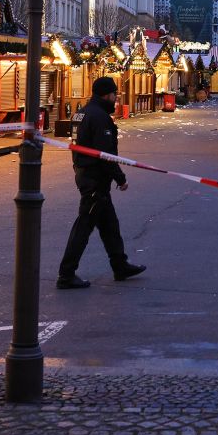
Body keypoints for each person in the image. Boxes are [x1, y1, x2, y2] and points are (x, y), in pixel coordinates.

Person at [57, 76, 147, 289]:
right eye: (115, 95)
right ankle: (66, 274)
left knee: (109, 225)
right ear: (107, 94)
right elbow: (105, 153)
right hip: (94, 178)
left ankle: (120, 265)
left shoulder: (82, 112)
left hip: (85, 172)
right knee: (84, 225)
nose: (116, 99)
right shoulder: (99, 117)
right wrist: (120, 177)